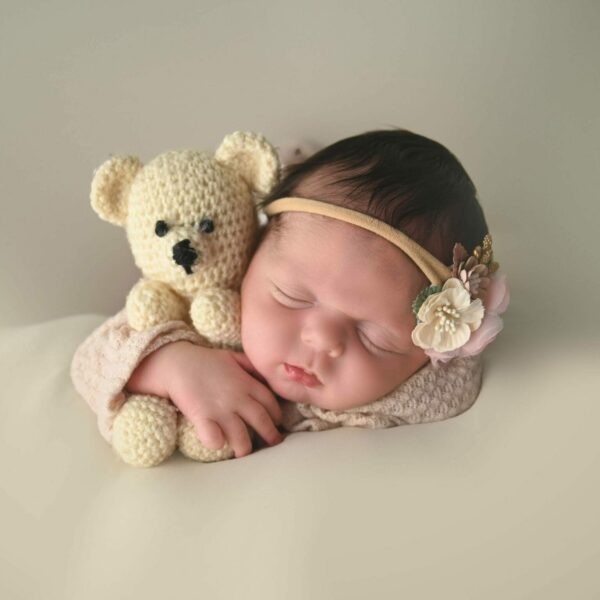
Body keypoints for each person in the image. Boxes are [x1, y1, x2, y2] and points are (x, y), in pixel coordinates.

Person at [71, 128, 508, 460]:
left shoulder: (412, 389)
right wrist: (169, 365)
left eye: (375, 337)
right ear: (250, 259)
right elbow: (91, 359)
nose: (321, 339)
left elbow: (458, 379)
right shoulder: (210, 325)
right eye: (291, 296)